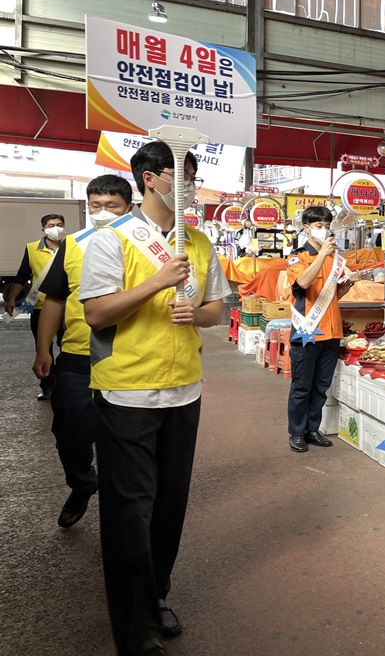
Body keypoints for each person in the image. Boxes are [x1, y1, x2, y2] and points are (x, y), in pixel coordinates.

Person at [79, 140, 230, 656]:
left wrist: (197, 313)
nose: (186, 186)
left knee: (169, 506)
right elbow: (97, 314)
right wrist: (158, 282)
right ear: (150, 178)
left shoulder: (202, 242)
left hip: (184, 390)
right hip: (126, 392)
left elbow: (218, 312)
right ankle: (135, 627)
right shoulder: (110, 239)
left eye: (192, 176)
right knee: (129, 512)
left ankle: (156, 596)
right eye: (178, 176)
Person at [31, 175, 134, 529]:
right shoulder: (72, 244)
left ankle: (123, 506)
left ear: (129, 207)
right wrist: (43, 349)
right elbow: (55, 300)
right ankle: (82, 483)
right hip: (77, 355)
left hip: (127, 355)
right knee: (70, 433)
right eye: (95, 206)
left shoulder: (140, 245)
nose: (102, 212)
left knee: (123, 438)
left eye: (112, 206)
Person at [285, 205, 350, 453]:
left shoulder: (336, 260)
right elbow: (301, 283)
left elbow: (335, 294)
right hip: (307, 332)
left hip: (331, 332)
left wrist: (348, 284)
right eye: (318, 225)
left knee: (321, 386)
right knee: (302, 386)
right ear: (307, 228)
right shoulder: (297, 257)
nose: (324, 230)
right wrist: (322, 254)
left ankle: (313, 429)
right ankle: (297, 432)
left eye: (327, 225)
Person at [6, 212, 66, 400]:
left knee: (67, 347)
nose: (56, 228)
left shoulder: (71, 246)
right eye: (51, 225)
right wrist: (11, 299)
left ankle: (66, 385)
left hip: (68, 307)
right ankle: (48, 386)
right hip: (41, 307)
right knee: (43, 348)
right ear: (43, 229)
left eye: (59, 224)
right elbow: (22, 276)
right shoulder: (32, 249)